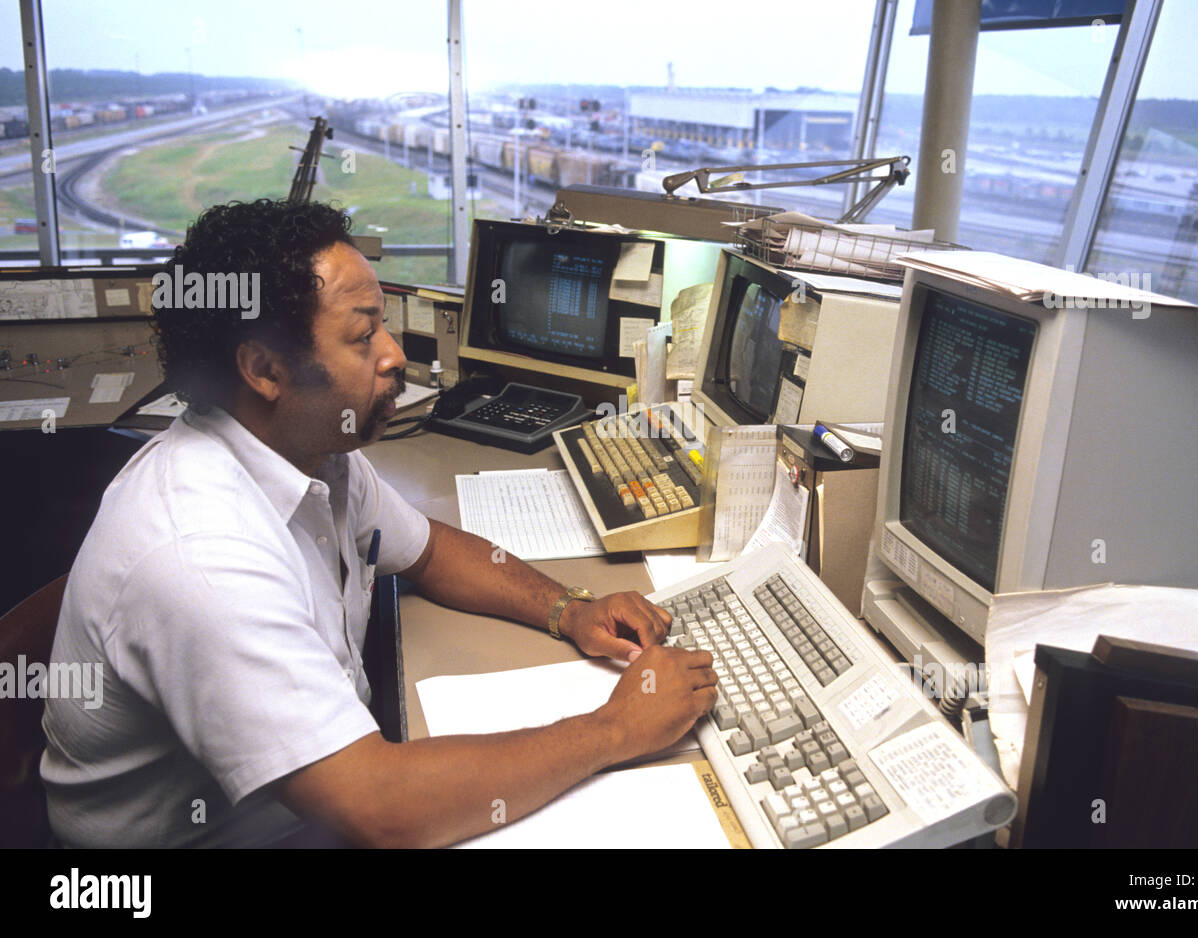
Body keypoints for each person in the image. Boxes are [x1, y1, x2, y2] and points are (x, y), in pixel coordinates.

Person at [40, 199, 717, 848]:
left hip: (302, 807)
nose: (394, 356)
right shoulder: (201, 552)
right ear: (265, 369)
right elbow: (381, 812)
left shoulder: (308, 450)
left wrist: (570, 610)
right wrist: (614, 730)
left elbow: (429, 552)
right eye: (363, 336)